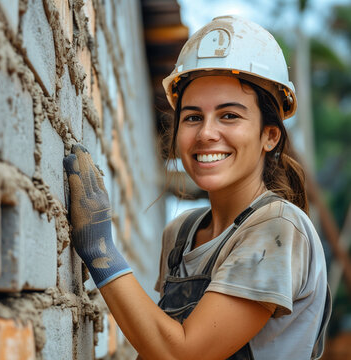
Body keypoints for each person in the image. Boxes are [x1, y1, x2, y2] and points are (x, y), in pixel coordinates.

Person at [63, 15, 331, 360]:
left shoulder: (277, 228)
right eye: (192, 117)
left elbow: (182, 353)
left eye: (229, 116)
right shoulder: (182, 233)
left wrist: (101, 251)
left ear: (269, 135)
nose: (206, 133)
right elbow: (156, 343)